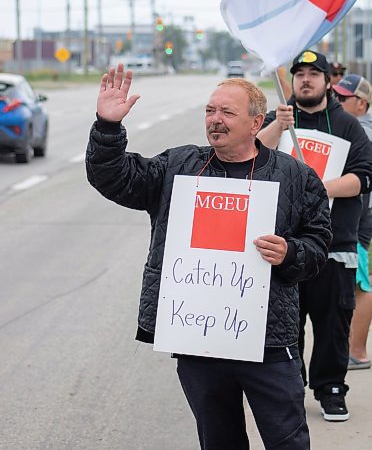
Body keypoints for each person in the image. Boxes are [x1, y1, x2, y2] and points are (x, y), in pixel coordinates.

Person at [86, 63, 332, 449]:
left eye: (227, 113)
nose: (215, 120)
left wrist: (290, 252)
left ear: (256, 123)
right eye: (210, 111)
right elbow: (115, 177)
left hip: (268, 340)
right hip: (200, 339)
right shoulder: (179, 167)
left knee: (288, 441)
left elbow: (319, 248)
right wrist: (107, 127)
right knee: (219, 441)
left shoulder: (296, 177)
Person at [258, 50, 372, 422]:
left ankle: (331, 390)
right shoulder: (279, 118)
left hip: (334, 245)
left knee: (332, 325)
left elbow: (364, 176)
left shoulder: (346, 125)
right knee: (285, 324)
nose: (305, 80)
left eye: (314, 73)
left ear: (327, 80)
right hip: (284, 246)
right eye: (299, 74)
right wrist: (277, 126)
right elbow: (251, 158)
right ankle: (290, 388)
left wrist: (319, 187)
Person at [333, 74, 372, 370]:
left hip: (362, 218)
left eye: (343, 98)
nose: (337, 102)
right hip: (362, 217)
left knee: (361, 285)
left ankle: (357, 352)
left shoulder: (361, 131)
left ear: (361, 103)